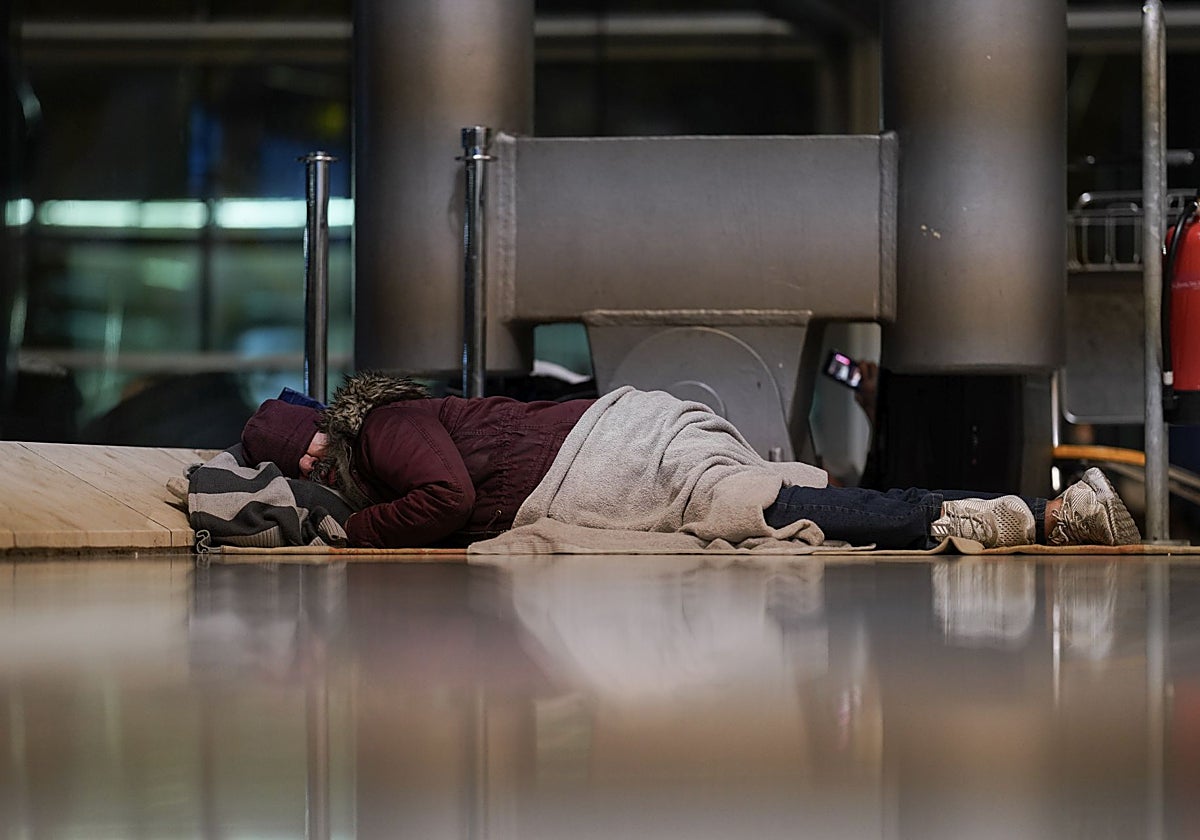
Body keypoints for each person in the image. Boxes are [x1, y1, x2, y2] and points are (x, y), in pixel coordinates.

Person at [241, 371, 1142, 551]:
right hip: (619, 441)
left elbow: (443, 498)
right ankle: (1048, 510)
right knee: (775, 500)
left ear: (325, 438)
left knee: (750, 510)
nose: (322, 461)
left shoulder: (382, 430)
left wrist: (352, 531)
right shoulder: (384, 427)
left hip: (612, 452)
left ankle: (989, 517)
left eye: (315, 452)